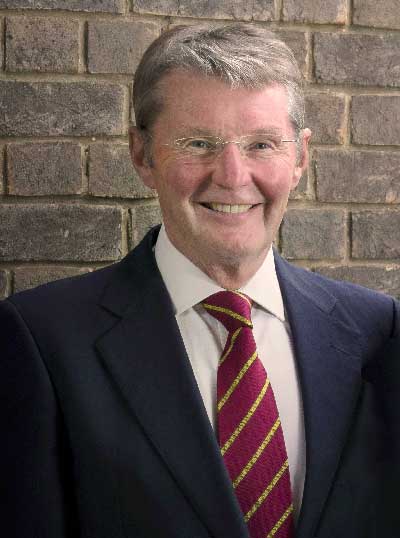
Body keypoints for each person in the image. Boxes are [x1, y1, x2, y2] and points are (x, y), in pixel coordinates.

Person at [1, 23, 399, 538]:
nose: (232, 175)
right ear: (142, 154)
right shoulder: (42, 340)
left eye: (261, 144)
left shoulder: (378, 330)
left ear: (300, 157)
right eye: (198, 143)